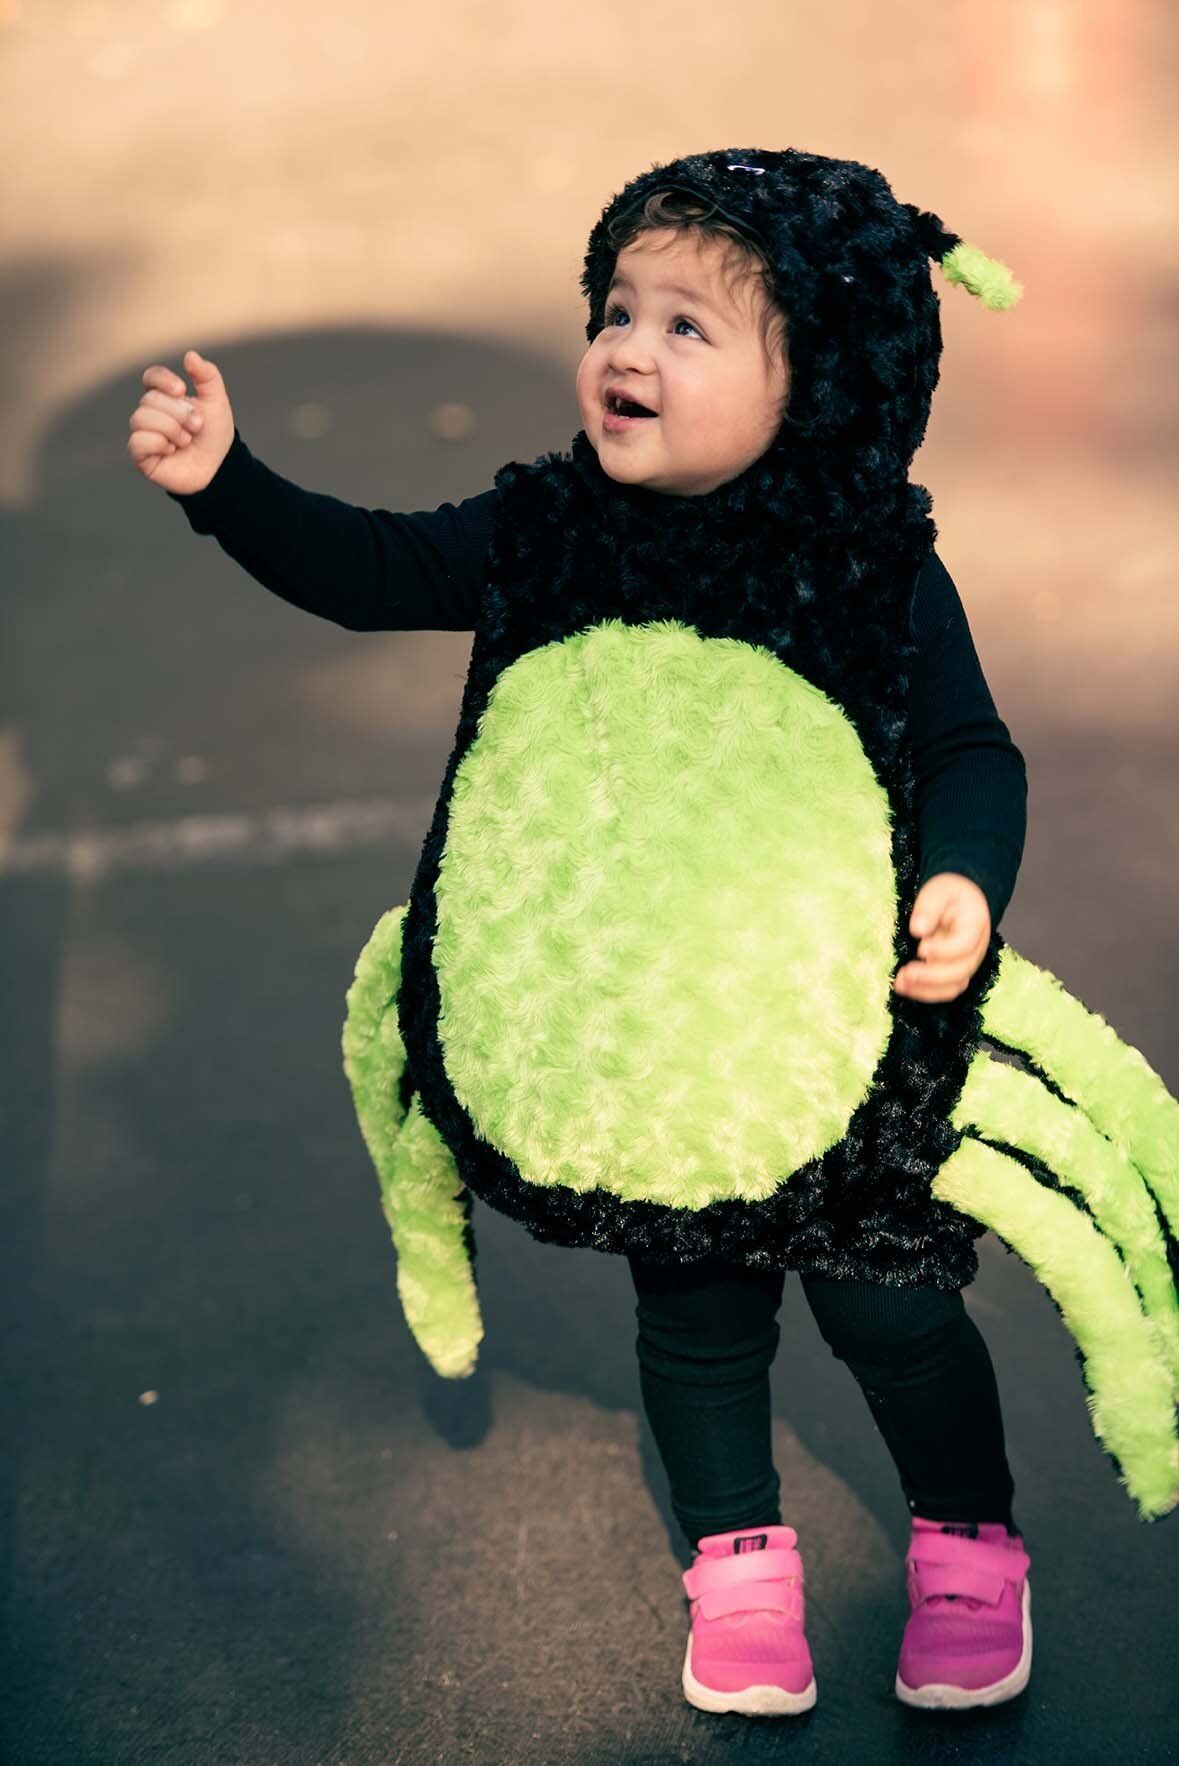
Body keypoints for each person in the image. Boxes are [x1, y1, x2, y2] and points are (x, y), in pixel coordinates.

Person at [127, 148, 1097, 1719]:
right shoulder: (552, 528)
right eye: (617, 309)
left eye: (690, 327)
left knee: (889, 1304)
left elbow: (973, 751)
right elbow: (368, 568)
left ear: (825, 378)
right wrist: (228, 484)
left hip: (836, 1019)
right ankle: (737, 1559)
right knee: (696, 1316)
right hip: (657, 1040)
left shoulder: (870, 564)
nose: (628, 349)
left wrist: (969, 882)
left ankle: (970, 1538)